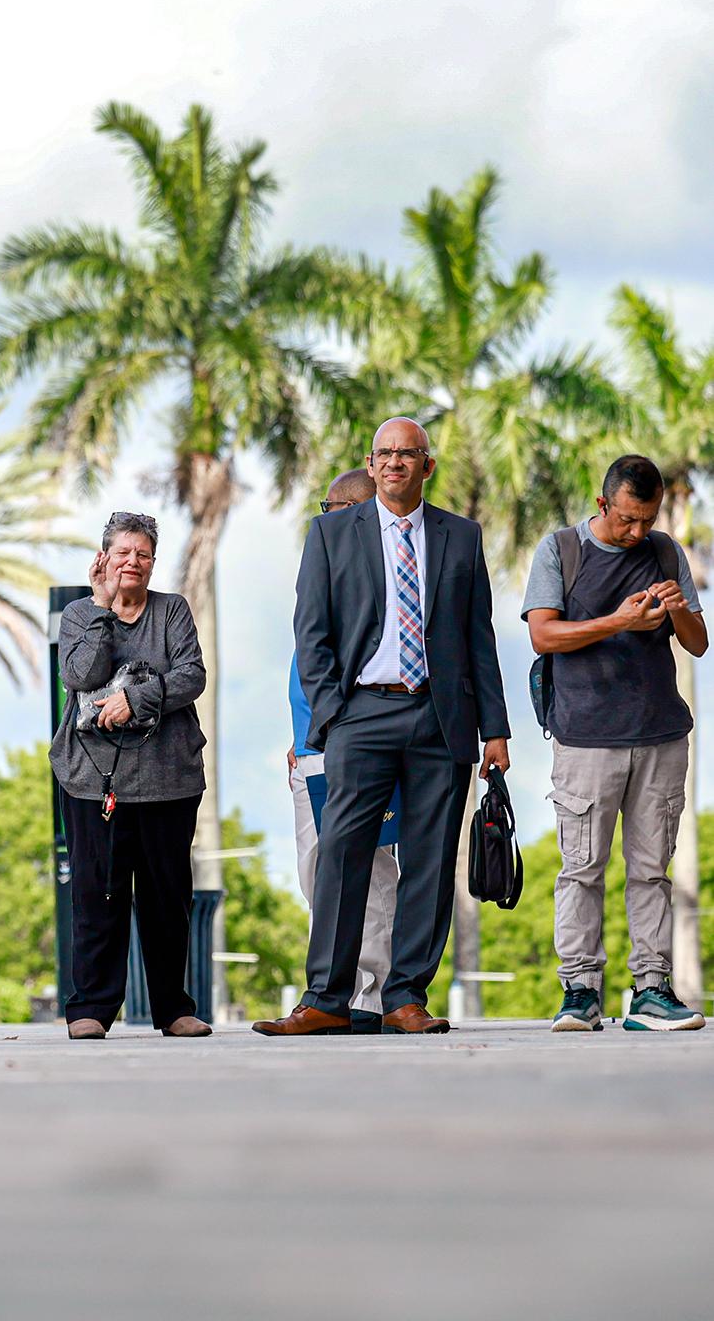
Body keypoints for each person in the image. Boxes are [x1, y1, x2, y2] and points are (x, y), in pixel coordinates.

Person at [255, 417, 510, 1038]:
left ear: (427, 466)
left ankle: (404, 997)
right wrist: (332, 716)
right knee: (342, 854)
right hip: (360, 715)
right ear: (371, 465)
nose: (395, 463)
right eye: (384, 454)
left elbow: (480, 636)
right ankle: (325, 999)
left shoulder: (461, 536)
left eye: (408, 454)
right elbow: (310, 634)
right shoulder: (331, 533)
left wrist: (495, 729)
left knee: (428, 859)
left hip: (440, 717)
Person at [522, 455, 707, 1033]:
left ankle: (652, 990)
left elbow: (698, 645)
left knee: (652, 869)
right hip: (584, 737)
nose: (635, 532)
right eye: (626, 519)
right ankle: (580, 992)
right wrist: (618, 623)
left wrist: (679, 611)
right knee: (582, 868)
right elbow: (543, 634)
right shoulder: (561, 551)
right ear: (603, 504)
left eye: (645, 520)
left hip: (660, 735)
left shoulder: (666, 551)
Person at [50, 511, 210, 1040]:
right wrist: (101, 606)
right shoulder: (78, 614)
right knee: (97, 895)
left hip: (169, 779)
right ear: (104, 558)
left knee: (168, 899)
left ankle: (174, 1008)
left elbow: (191, 674)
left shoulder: (172, 612)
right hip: (93, 781)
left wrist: (135, 698)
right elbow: (80, 675)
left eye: (142, 554)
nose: (132, 563)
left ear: (153, 561)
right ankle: (90, 1009)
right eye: (123, 553)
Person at [287, 468, 399, 1033]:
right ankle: (333, 988)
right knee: (318, 873)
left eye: (326, 506)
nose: (320, 516)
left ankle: (369, 996)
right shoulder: (325, 563)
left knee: (372, 871)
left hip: (353, 745)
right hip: (311, 751)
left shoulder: (374, 572)